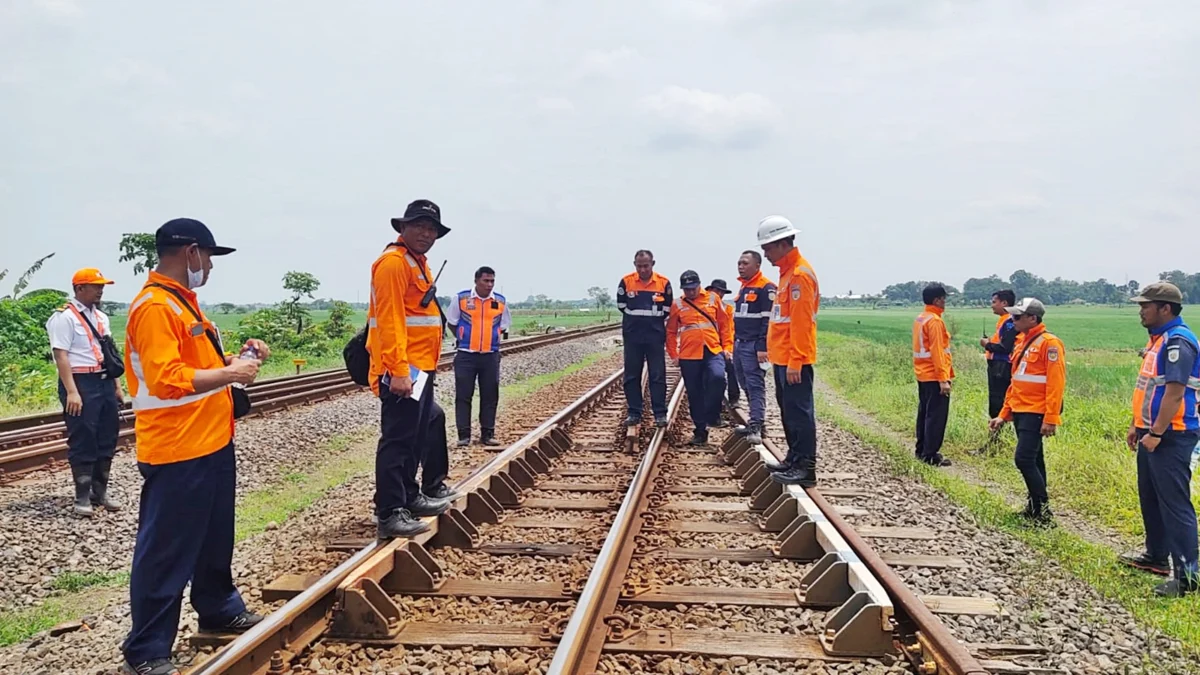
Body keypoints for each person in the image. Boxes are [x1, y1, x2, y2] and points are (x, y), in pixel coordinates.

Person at [120, 219, 270, 675]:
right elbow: (167, 381)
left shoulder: (185, 306)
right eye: (207, 257)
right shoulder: (154, 308)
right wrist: (230, 375)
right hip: (177, 448)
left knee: (212, 539)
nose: (209, 266)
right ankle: (146, 651)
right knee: (166, 550)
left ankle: (219, 606)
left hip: (212, 440)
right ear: (190, 252)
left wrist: (236, 360)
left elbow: (196, 366)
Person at [367, 199, 459, 539]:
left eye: (431, 228)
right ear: (402, 228)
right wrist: (399, 370)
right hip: (403, 369)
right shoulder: (393, 264)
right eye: (419, 225)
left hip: (420, 367)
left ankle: (409, 497)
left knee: (422, 429)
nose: (426, 232)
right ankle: (390, 511)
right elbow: (389, 320)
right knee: (399, 440)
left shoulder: (417, 263)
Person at [1118, 282, 1199, 597]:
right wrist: (1137, 425)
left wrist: (1156, 432)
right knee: (1151, 497)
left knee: (1174, 504)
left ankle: (1187, 578)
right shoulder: (1159, 340)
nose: (1141, 311)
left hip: (1171, 435)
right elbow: (1150, 389)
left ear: (1165, 308)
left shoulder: (1178, 342)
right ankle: (1156, 557)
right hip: (1150, 432)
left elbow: (1175, 393)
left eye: (1146, 305)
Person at [45, 268, 123, 517]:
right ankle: (81, 497)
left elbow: (110, 354)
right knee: (83, 437)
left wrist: (117, 386)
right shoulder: (64, 318)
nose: (101, 290)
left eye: (102, 286)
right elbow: (61, 355)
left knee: (107, 436)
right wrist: (72, 392)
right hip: (80, 382)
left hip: (103, 380)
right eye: (95, 285)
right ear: (80, 288)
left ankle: (100, 492)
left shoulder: (101, 317)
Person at [988, 298, 1065, 526]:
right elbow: (1016, 382)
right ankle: (1034, 509)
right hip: (1021, 410)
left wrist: (1051, 418)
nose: (1013, 320)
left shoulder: (1049, 344)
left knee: (1023, 459)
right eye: (1012, 316)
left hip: (1036, 412)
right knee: (1034, 459)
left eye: (1017, 317)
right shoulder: (1022, 342)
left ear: (1033, 318)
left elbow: (1055, 384)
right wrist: (1003, 414)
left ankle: (1043, 513)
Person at [758, 216, 820, 487]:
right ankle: (793, 459)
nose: (765, 254)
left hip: (795, 360)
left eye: (768, 248)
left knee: (799, 413)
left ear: (782, 244)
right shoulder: (786, 275)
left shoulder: (799, 276)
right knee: (788, 412)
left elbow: (802, 323)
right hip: (783, 358)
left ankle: (805, 468)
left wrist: (796, 360)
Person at [446, 266, 511, 447]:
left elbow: (503, 326)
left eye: (492, 281)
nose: (489, 285)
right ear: (476, 281)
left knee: (490, 395)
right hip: (466, 355)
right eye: (486, 281)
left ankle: (487, 434)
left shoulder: (500, 301)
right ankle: (463, 435)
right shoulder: (461, 299)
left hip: (490, 355)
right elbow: (451, 322)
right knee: (463, 395)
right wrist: (463, 338)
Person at [667, 270, 731, 446]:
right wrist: (674, 354)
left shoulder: (712, 299)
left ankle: (712, 413)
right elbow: (671, 332)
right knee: (694, 393)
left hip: (712, 349)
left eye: (693, 288)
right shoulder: (677, 304)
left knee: (718, 377)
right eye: (687, 289)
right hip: (689, 354)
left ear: (699, 285)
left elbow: (725, 325)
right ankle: (700, 432)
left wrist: (727, 348)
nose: (690, 292)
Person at [617, 250, 672, 427]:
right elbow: (622, 306)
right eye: (639, 266)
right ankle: (634, 413)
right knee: (632, 376)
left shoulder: (663, 283)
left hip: (655, 336)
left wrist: (651, 322)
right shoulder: (626, 282)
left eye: (646, 266)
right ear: (635, 265)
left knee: (657, 375)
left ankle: (660, 414)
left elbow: (667, 308)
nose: (642, 269)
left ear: (653, 264)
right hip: (633, 336)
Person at [913, 283, 954, 467]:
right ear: (937, 300)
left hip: (923, 375)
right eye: (944, 298)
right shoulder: (935, 321)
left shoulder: (921, 318)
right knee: (936, 417)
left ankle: (921, 450)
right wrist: (943, 379)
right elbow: (937, 352)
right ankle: (930, 455)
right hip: (934, 375)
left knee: (924, 414)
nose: (945, 302)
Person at [980, 289, 1018, 420]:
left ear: (1004, 303)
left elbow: (1005, 347)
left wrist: (987, 345)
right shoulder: (1004, 320)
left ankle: (997, 432)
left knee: (998, 399)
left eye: (994, 302)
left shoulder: (1009, 321)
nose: (992, 305)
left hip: (1002, 366)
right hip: (998, 364)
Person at [705, 278, 737, 423]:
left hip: (723, 346)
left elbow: (728, 330)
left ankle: (734, 397)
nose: (718, 294)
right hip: (709, 346)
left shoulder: (728, 309)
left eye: (720, 292)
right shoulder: (704, 307)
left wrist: (727, 349)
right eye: (715, 291)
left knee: (732, 368)